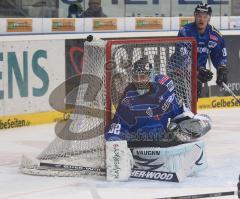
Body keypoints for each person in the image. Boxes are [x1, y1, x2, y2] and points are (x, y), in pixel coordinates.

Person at [104, 57, 212, 181]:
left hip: (163, 140)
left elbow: (179, 113)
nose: (139, 81)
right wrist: (116, 147)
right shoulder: (128, 99)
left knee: (202, 123)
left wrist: (187, 121)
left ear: (150, 77)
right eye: (136, 77)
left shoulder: (164, 90)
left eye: (143, 77)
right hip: (140, 144)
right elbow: (116, 127)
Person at [178, 3, 228, 98]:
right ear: (195, 16)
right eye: (199, 16)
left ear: (209, 18)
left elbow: (219, 55)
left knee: (193, 102)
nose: (201, 19)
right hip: (179, 72)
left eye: (205, 16)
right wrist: (198, 70)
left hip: (198, 75)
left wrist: (221, 68)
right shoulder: (185, 32)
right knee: (179, 102)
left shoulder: (215, 35)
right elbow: (182, 57)